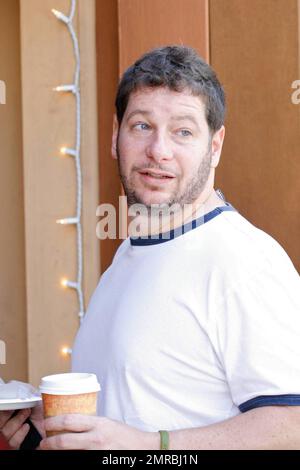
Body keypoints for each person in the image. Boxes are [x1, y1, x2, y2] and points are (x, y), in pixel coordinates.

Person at [1, 45, 300, 450]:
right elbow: (126, 422)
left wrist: (150, 445)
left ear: (215, 146)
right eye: (142, 126)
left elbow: (292, 425)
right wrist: (48, 433)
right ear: (115, 136)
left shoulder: (244, 260)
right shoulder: (128, 255)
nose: (158, 150)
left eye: (183, 131)